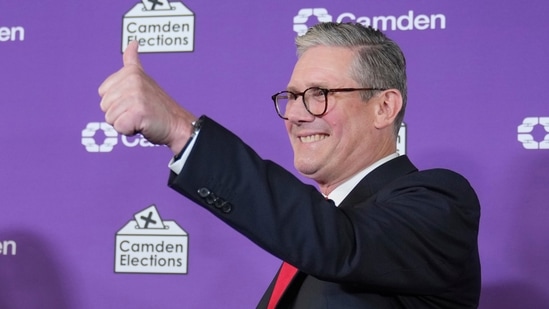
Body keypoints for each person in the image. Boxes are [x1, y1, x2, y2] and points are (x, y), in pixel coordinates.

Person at [99, 22, 481, 308]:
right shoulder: (317, 230)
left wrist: (183, 132)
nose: (295, 114)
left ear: (384, 107)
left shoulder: (440, 201)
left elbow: (338, 244)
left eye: (319, 95)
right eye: (292, 97)